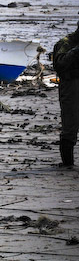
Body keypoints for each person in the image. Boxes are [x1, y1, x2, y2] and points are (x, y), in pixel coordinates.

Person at [53, 21, 79, 167]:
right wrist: (75, 52)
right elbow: (60, 65)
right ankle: (68, 163)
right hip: (71, 86)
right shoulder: (65, 43)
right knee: (70, 124)